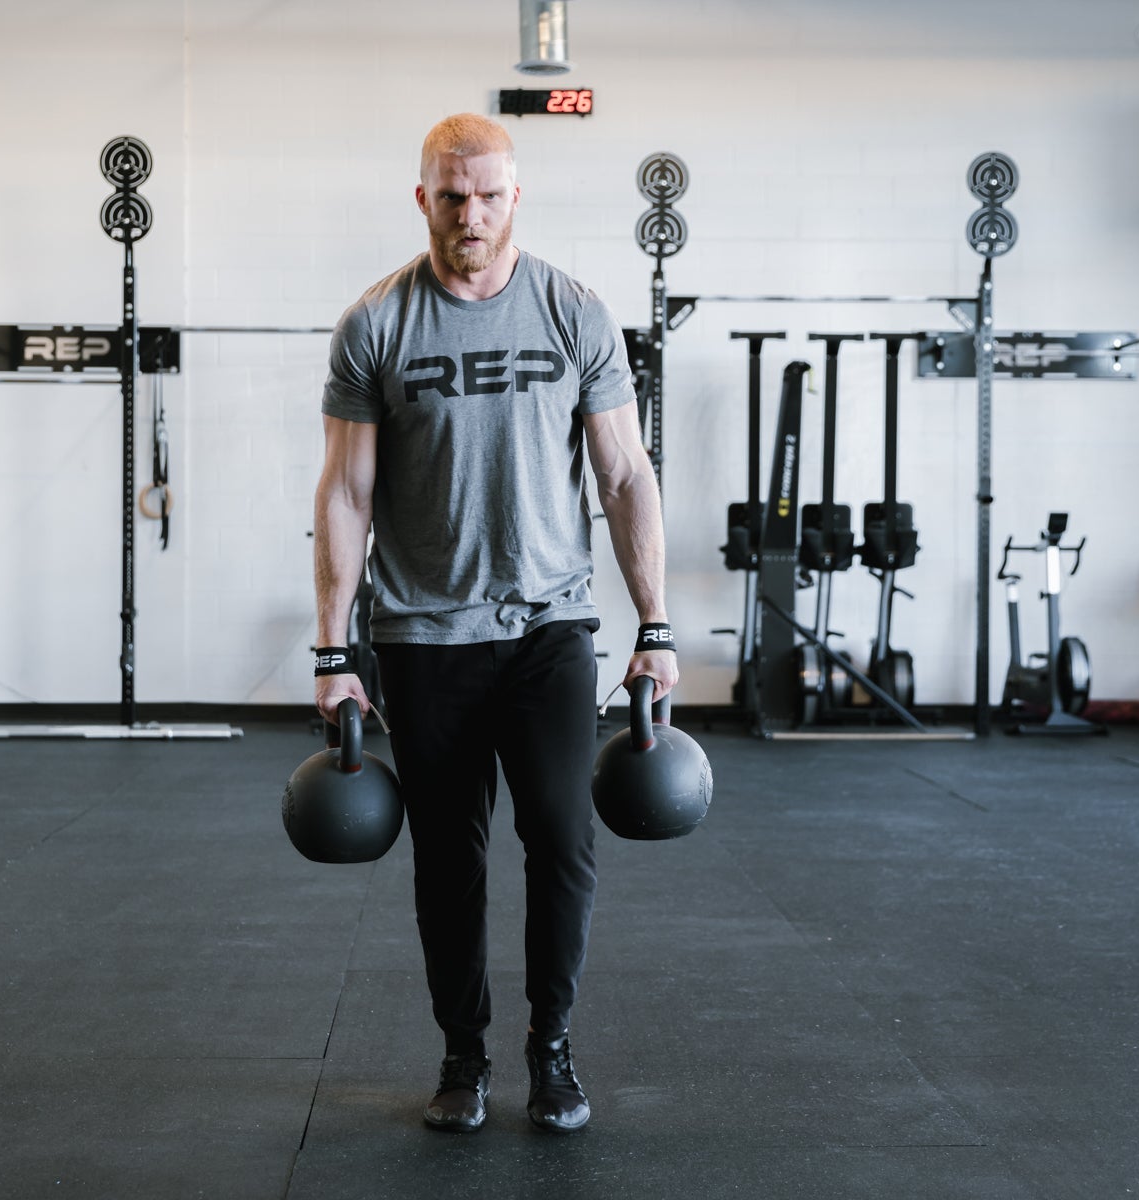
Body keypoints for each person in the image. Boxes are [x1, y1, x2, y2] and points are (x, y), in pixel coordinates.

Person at [311, 113, 676, 1134]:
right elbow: (344, 492)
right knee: (448, 857)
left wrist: (656, 626)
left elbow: (623, 474)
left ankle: (550, 1050)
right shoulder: (376, 323)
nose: (470, 214)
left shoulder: (575, 312)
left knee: (562, 837)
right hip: (424, 639)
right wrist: (334, 651)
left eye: (487, 195)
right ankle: (463, 1055)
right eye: (450, 195)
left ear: (516, 197)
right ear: (422, 197)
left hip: (550, 631)